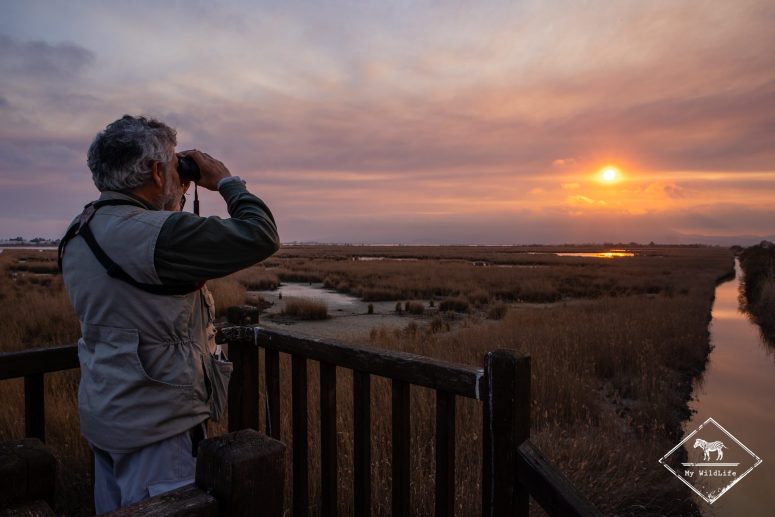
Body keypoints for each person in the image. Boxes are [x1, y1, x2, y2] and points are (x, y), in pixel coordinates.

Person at [59, 115, 279, 513]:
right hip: (159, 429)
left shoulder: (80, 228)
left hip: (107, 417)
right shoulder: (159, 234)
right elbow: (260, 235)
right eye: (175, 164)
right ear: (158, 172)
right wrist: (227, 182)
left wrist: (172, 199)